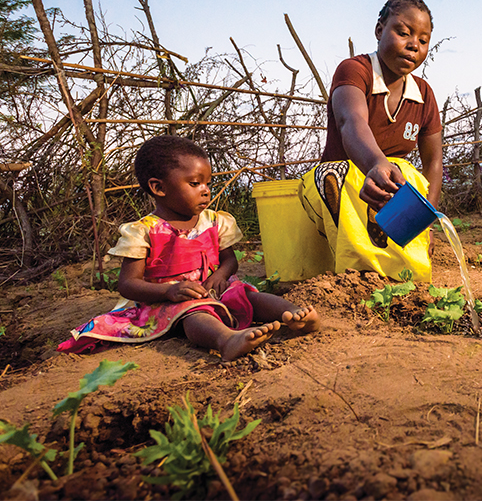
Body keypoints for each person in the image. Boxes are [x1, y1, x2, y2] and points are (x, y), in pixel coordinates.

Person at [58, 136, 320, 360]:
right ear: (158, 187)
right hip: (170, 302)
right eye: (195, 184)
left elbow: (229, 260)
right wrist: (169, 291)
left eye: (207, 183)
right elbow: (128, 284)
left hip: (214, 290)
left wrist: (220, 275)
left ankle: (295, 314)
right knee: (195, 314)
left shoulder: (215, 221)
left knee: (246, 295)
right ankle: (226, 341)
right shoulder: (144, 231)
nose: (205, 191)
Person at [300, 0, 443, 282]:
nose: (414, 44)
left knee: (408, 175)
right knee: (338, 175)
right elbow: (350, 122)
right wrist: (375, 164)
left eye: (423, 40)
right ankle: (355, 275)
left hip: (388, 193)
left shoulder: (424, 95)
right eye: (403, 32)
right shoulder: (356, 71)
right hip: (340, 187)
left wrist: (427, 223)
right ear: (380, 30)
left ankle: (401, 269)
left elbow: (434, 164)